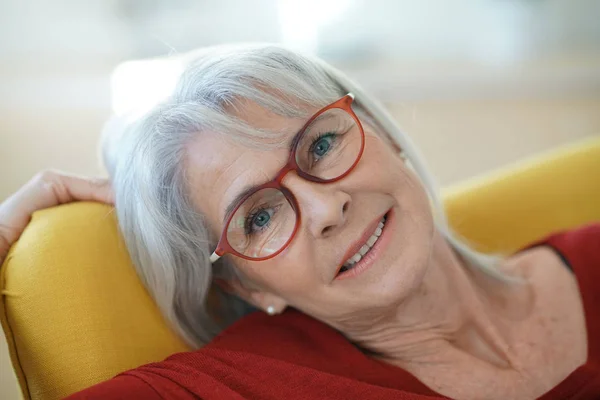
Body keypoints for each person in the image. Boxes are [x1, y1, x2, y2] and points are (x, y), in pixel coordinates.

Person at [1, 44, 598, 400]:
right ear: (244, 284)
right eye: (258, 217)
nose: (325, 208)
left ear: (381, 132)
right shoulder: (245, 385)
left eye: (318, 147)